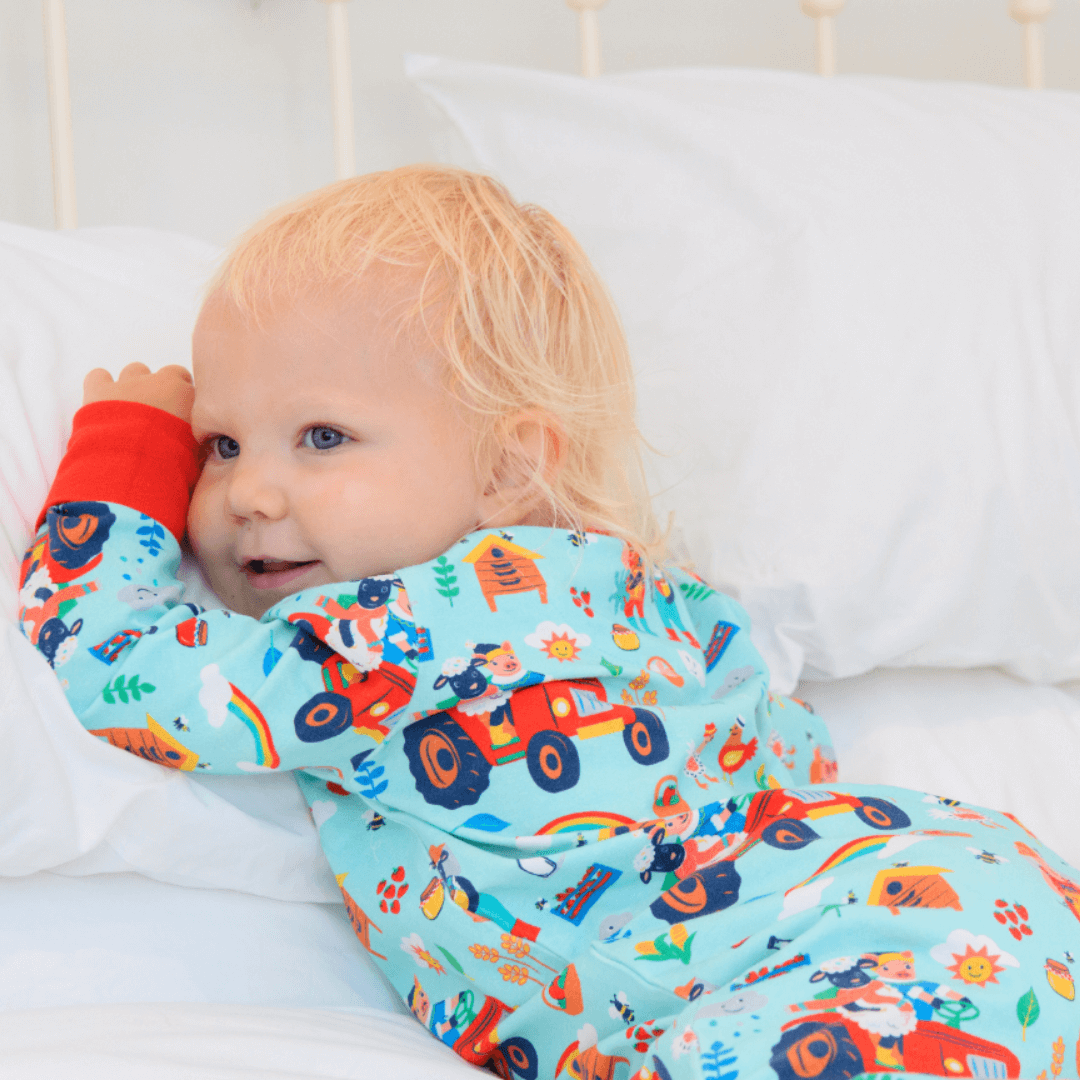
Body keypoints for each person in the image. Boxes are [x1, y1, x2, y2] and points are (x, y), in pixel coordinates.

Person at [19, 166, 1080, 1079]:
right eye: (219, 446)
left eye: (323, 436)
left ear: (509, 468)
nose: (251, 493)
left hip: (860, 953)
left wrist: (123, 472)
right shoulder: (644, 597)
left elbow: (131, 672)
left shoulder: (407, 628)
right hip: (962, 908)